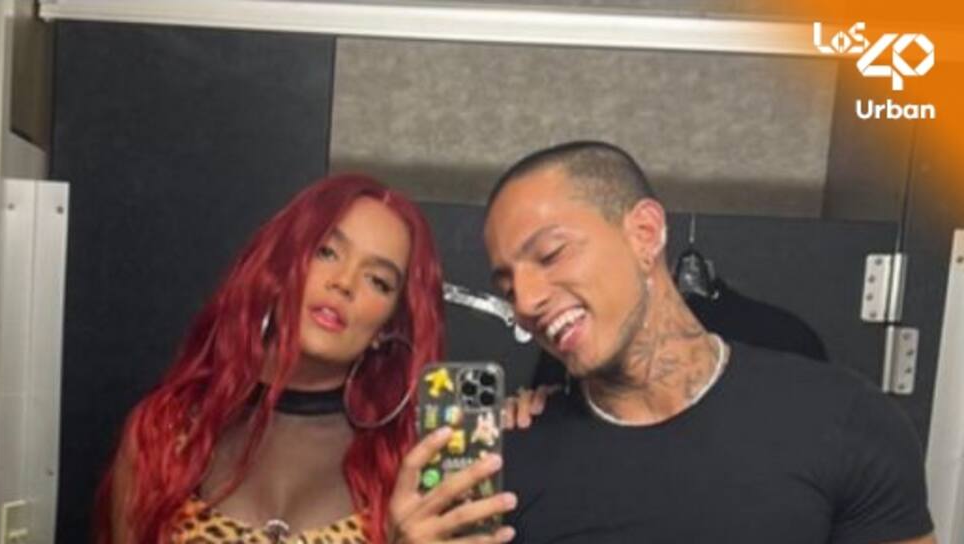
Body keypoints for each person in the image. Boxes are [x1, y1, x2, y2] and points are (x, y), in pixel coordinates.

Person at [390, 141, 935, 543]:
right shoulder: (507, 463)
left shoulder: (845, 420)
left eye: (551, 254)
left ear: (644, 233)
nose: (526, 301)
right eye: (507, 286)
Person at [98, 174, 529, 544]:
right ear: (281, 266)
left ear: (387, 326)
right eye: (326, 252)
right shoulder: (166, 432)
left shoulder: (409, 463)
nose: (344, 282)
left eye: (378, 281)